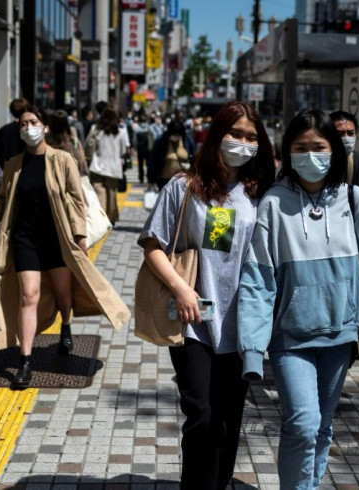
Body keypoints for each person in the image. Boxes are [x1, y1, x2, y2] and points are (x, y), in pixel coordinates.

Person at [237, 110, 359, 489]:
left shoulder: (355, 201)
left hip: (339, 338)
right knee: (303, 425)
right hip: (290, 339)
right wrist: (253, 348)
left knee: (323, 426)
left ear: (334, 150)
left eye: (319, 147)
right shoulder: (273, 204)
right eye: (300, 148)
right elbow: (258, 280)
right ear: (287, 153)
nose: (310, 155)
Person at [138, 100, 275, 489]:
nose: (242, 143)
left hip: (243, 323)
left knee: (230, 417)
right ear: (217, 134)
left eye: (251, 137)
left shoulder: (262, 191)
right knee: (200, 414)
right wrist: (182, 289)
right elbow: (152, 244)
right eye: (234, 134)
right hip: (193, 322)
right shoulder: (184, 186)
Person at [0, 106, 130, 389]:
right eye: (23, 124)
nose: (28, 128)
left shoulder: (63, 160)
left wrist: (80, 235)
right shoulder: (13, 165)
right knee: (29, 296)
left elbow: (76, 199)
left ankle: (66, 327)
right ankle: (25, 360)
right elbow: (5, 209)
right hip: (25, 240)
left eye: (33, 122)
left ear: (45, 127)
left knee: (62, 293)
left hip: (56, 238)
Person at [87, 107, 128, 224]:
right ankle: (110, 218)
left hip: (97, 166)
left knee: (99, 193)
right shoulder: (120, 133)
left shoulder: (95, 130)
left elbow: (89, 147)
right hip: (113, 168)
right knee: (112, 194)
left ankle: (100, 218)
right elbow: (122, 151)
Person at [147, 120, 190, 190]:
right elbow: (153, 161)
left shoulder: (187, 140)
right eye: (174, 134)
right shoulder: (161, 141)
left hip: (182, 180)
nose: (176, 137)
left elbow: (193, 156)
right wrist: (151, 180)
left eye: (178, 135)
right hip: (164, 180)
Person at [45, 109, 88, 176]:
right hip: (70, 177)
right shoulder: (74, 141)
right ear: (66, 123)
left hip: (51, 177)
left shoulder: (46, 141)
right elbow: (81, 161)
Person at [0, 98, 29, 171]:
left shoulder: (3, 131)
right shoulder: (29, 130)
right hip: (25, 171)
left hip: (6, 172)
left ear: (11, 111)